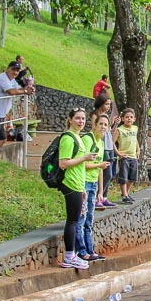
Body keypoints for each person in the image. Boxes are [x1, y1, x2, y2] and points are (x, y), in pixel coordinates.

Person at [57, 108, 100, 270]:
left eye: (83, 119)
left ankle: (72, 254)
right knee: (73, 220)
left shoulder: (78, 137)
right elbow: (63, 163)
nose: (81, 121)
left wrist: (82, 187)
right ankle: (69, 255)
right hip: (70, 183)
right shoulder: (68, 138)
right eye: (77, 118)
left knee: (76, 219)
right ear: (70, 119)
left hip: (78, 183)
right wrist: (84, 157)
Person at [78, 113, 111, 261]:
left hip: (94, 183)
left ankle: (90, 250)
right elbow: (83, 163)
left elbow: (100, 170)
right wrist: (99, 165)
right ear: (95, 125)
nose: (103, 127)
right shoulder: (87, 139)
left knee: (90, 218)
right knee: (82, 218)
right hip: (84, 182)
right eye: (101, 124)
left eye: (105, 125)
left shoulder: (101, 143)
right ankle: (81, 251)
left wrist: (100, 191)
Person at [0, 61, 34, 148]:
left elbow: (18, 88)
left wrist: (27, 87)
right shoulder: (3, 78)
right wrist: (26, 91)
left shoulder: (11, 80)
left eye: (17, 71)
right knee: (2, 139)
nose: (15, 72)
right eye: (13, 70)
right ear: (8, 69)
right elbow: (11, 91)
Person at [93, 95, 119, 209]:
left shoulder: (106, 116)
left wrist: (114, 124)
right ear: (101, 103)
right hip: (102, 147)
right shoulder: (95, 115)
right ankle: (98, 197)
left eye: (109, 104)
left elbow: (109, 131)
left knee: (109, 174)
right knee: (104, 173)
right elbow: (95, 130)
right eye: (107, 104)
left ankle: (104, 196)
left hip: (108, 146)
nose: (108, 107)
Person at [113, 108, 140, 204]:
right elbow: (113, 142)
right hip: (124, 156)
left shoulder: (135, 128)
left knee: (133, 177)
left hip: (133, 156)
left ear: (134, 119)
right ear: (123, 119)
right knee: (123, 176)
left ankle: (126, 193)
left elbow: (135, 140)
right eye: (127, 117)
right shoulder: (119, 130)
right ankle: (124, 195)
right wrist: (118, 153)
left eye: (131, 117)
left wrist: (138, 150)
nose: (129, 119)